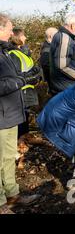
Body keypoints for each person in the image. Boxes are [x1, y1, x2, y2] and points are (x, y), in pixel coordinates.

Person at [0, 14, 41, 214]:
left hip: (11, 113)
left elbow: (10, 76)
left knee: (8, 157)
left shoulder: (5, 52)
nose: (11, 31)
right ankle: (1, 204)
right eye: (9, 28)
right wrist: (20, 82)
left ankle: (12, 195)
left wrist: (27, 76)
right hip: (1, 115)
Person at [9, 29, 42, 137]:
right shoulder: (13, 54)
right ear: (17, 38)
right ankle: (20, 144)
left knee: (25, 118)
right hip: (21, 91)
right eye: (23, 36)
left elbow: (28, 69)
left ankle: (24, 142)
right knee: (21, 121)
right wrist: (31, 76)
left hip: (28, 90)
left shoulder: (22, 53)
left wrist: (36, 72)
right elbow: (16, 75)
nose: (25, 38)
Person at [49, 14, 75, 96]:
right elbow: (62, 66)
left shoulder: (65, 37)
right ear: (72, 26)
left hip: (66, 86)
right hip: (66, 88)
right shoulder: (64, 38)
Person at [40, 27, 58, 91]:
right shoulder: (47, 51)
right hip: (53, 85)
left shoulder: (50, 47)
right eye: (57, 35)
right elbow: (47, 68)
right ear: (51, 36)